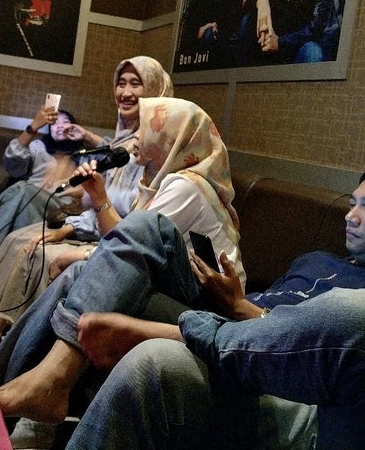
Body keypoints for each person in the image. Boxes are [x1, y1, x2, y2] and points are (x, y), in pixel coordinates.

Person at [0, 96, 246, 423]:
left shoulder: (186, 185)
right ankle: (2, 385)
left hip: (211, 305)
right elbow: (126, 242)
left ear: (171, 137)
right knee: (77, 273)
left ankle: (35, 384)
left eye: (146, 128)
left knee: (90, 263)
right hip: (174, 288)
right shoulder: (157, 179)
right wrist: (98, 196)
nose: (135, 137)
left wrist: (82, 250)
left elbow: (136, 238)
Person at [63, 173, 365, 450]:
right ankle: (46, 392)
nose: (350, 217)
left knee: (152, 357)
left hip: (273, 373)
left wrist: (240, 307)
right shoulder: (316, 259)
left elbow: (304, 351)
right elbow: (269, 305)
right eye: (352, 205)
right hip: (227, 321)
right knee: (96, 268)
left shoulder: (357, 304)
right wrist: (231, 299)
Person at [0, 56, 173, 351]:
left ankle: (3, 335)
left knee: (35, 247)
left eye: (135, 84)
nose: (125, 92)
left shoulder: (151, 148)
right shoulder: (114, 142)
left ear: (154, 91)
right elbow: (104, 187)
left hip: (112, 238)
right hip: (92, 224)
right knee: (17, 238)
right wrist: (36, 128)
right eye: (121, 83)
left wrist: (69, 224)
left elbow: (127, 213)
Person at [0, 106, 85, 267]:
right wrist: (33, 127)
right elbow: (12, 165)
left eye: (65, 122)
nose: (60, 126)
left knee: (23, 188)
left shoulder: (85, 156)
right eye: (55, 123)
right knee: (23, 193)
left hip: (59, 210)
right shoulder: (38, 147)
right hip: (29, 206)